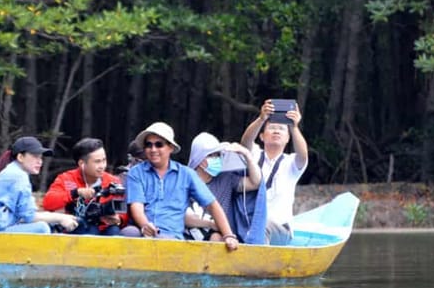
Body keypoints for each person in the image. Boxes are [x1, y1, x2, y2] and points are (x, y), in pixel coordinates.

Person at [123, 122, 239, 250]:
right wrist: (145, 225)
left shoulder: (186, 174)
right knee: (128, 233)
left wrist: (228, 235)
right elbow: (136, 206)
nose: (153, 149)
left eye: (159, 144)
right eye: (148, 145)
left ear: (171, 148)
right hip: (142, 232)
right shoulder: (136, 172)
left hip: (171, 238)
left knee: (163, 241)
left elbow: (212, 204)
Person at [0, 136, 79, 233]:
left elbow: (22, 215)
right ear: (20, 157)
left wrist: (57, 219)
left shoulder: (13, 171)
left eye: (40, 157)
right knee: (42, 228)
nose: (40, 161)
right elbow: (29, 216)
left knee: (48, 224)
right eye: (35, 156)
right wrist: (61, 218)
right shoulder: (18, 176)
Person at [240, 99, 309, 245]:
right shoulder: (255, 155)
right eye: (272, 128)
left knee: (262, 226)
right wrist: (261, 119)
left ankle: (255, 265)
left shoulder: (291, 163)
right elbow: (245, 143)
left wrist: (294, 127)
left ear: (288, 139)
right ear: (262, 136)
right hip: (249, 225)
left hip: (280, 230)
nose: (277, 131)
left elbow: (303, 155)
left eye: (282, 129)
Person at [186, 132, 262, 242]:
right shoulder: (185, 180)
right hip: (185, 236)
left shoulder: (226, 179)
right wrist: (211, 224)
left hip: (217, 238)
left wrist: (247, 155)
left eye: (218, 155)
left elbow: (255, 182)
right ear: (200, 159)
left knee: (216, 237)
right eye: (212, 155)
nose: (217, 158)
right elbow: (180, 215)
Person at [43, 137, 127, 236]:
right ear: (82, 164)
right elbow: (48, 202)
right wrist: (75, 193)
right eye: (97, 161)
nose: (102, 166)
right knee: (88, 231)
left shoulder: (112, 181)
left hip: (106, 228)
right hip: (76, 228)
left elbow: (123, 210)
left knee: (114, 231)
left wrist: (118, 219)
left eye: (104, 160)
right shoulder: (66, 179)